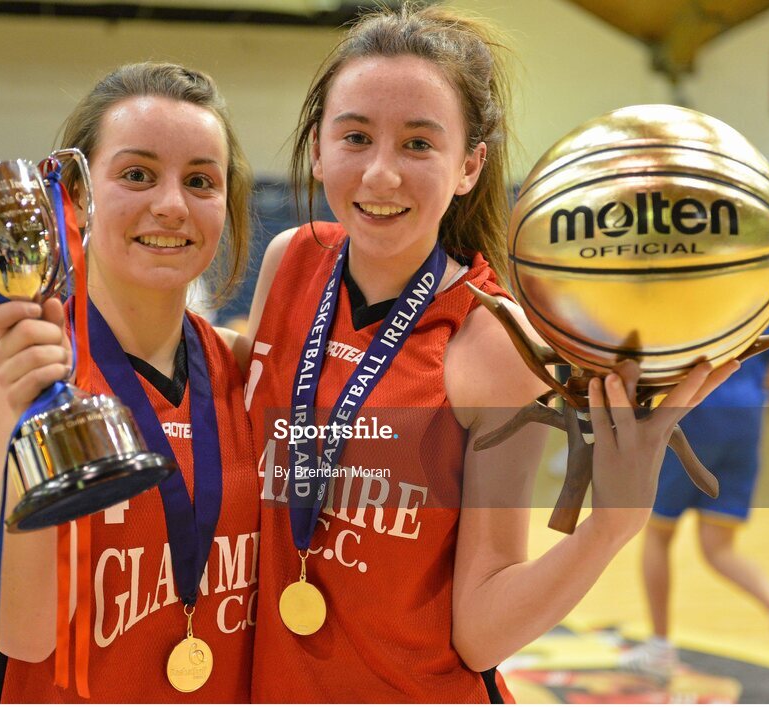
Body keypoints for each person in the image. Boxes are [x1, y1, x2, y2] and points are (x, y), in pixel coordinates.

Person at [242, 4, 738, 702]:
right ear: (319, 146)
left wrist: (608, 528)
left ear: (469, 164)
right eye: (356, 136)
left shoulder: (495, 342)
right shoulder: (288, 263)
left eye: (419, 144)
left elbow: (478, 631)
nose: (381, 173)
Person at [0, 62, 258, 702]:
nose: (171, 205)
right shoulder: (7, 377)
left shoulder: (243, 371)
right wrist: (43, 427)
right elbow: (23, 634)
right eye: (137, 174)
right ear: (79, 196)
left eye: (200, 181)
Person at [621, 320, 769, 685]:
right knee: (719, 546)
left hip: (691, 417)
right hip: (746, 423)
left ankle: (660, 649)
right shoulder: (757, 298)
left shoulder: (686, 297)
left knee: (657, 534)